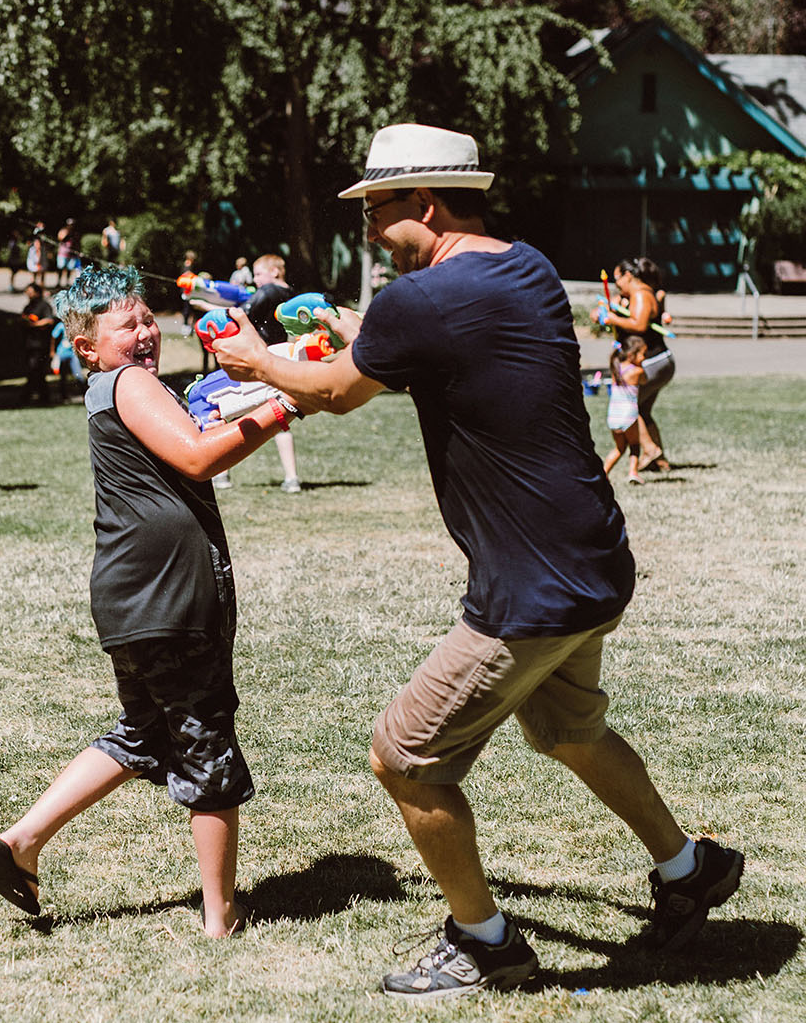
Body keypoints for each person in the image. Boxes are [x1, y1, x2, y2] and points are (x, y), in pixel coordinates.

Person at [212, 123, 744, 1000]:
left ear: (422, 203)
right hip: (597, 560)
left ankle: (485, 942)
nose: (371, 230)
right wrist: (351, 325)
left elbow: (342, 393)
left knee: (405, 758)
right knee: (569, 731)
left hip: (529, 585)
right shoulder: (526, 267)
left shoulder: (415, 301)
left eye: (376, 211)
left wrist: (258, 359)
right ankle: (689, 869)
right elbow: (439, 344)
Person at [0, 262, 300, 938]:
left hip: (133, 598)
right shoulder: (128, 381)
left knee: (145, 733)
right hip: (168, 599)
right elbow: (197, 458)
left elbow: (188, 438)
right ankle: (221, 920)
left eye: (148, 318)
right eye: (126, 325)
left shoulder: (117, 387)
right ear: (88, 347)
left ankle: (23, 840)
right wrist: (282, 406)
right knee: (207, 742)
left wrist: (247, 391)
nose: (146, 331)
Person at [209, 253, 302, 493]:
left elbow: (241, 315)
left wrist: (206, 304)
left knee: (229, 409)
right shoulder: (290, 293)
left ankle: (221, 474)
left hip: (255, 362)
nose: (256, 280)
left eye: (259, 274)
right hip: (278, 358)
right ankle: (292, 478)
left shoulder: (269, 291)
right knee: (280, 416)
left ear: (274, 272)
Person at [599, 257, 673, 472]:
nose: (616, 284)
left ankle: (650, 450)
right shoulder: (635, 294)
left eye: (617, 279)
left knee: (629, 408)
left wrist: (613, 319)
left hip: (653, 360)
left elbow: (639, 324)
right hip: (659, 361)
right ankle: (660, 461)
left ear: (628, 276)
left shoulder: (641, 294)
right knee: (642, 410)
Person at [602, 336, 648, 485]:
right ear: (631, 355)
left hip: (614, 415)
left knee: (619, 448)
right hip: (629, 414)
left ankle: (603, 474)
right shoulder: (637, 371)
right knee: (634, 444)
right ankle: (633, 472)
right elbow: (645, 380)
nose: (644, 357)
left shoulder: (616, 368)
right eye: (643, 354)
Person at [19, 283, 57, 404]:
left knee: (36, 370)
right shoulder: (29, 307)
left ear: (37, 293)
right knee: (33, 371)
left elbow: (49, 320)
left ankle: (31, 396)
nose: (28, 295)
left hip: (41, 345)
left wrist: (34, 324)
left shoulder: (44, 306)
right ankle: (41, 397)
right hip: (30, 344)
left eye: (30, 292)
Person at [55, 218, 78, 287]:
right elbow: (60, 238)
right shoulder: (64, 231)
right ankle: (58, 282)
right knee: (60, 268)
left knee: (69, 268)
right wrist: (67, 234)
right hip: (63, 254)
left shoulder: (75, 233)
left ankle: (67, 282)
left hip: (71, 254)